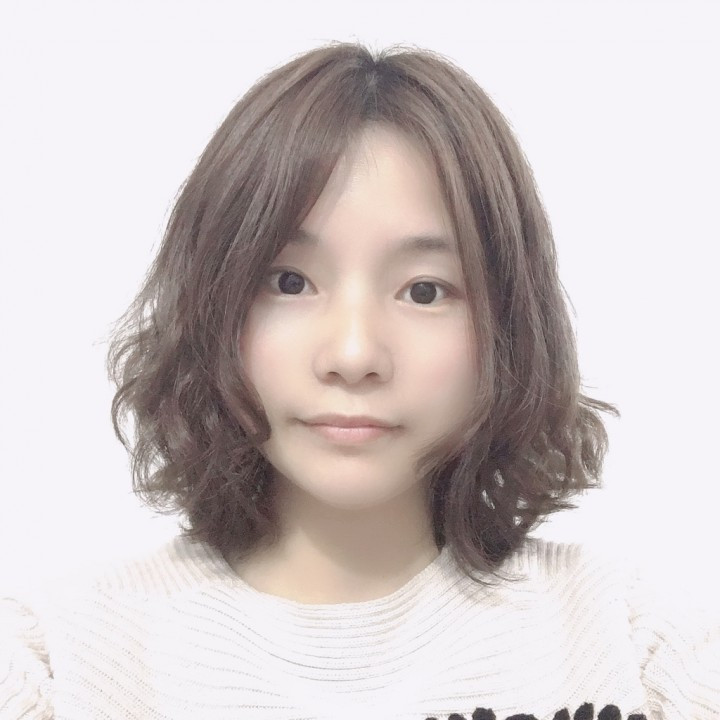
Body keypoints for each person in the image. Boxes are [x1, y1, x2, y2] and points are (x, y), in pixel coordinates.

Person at [1, 41, 718, 720]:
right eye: (289, 281)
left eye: (425, 291)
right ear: (210, 305)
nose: (352, 353)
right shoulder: (57, 663)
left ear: (508, 324)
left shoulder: (640, 647)